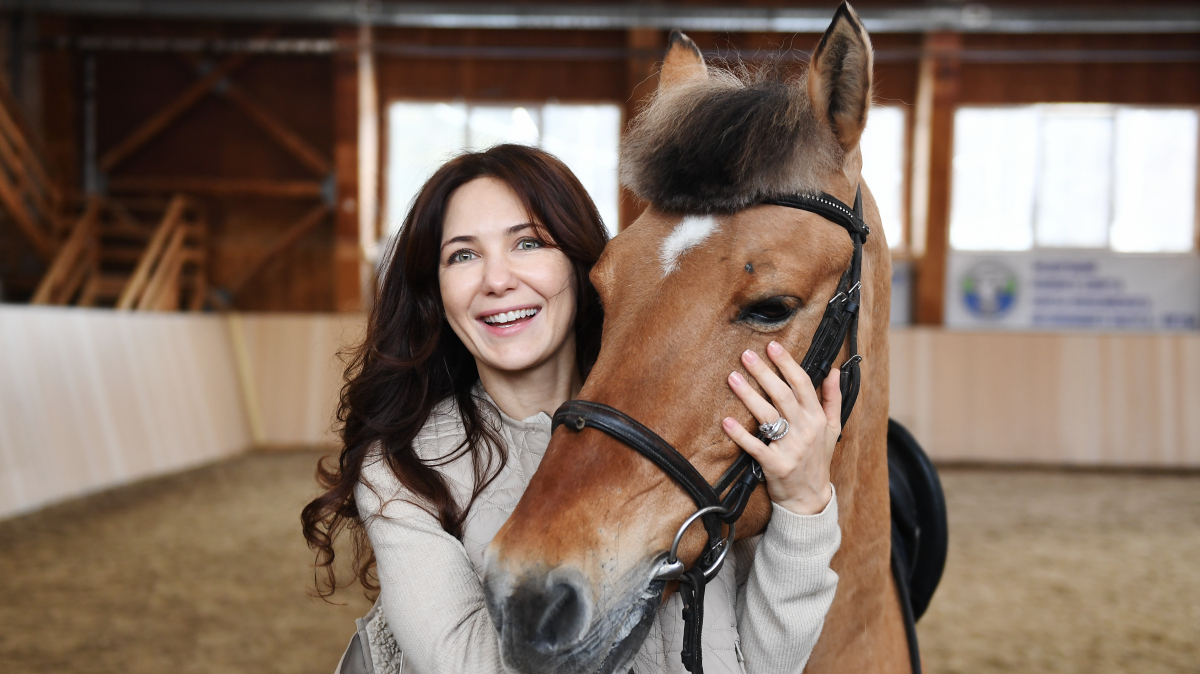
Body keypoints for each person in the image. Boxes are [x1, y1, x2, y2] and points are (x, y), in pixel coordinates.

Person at [301, 144, 844, 674]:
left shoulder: (689, 429)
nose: (496, 280)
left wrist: (803, 507)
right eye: (463, 255)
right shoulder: (400, 468)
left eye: (528, 244)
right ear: (436, 290)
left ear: (582, 263)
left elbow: (756, 663)